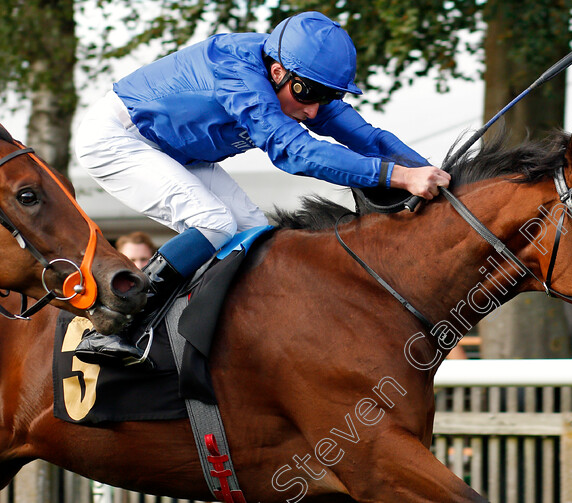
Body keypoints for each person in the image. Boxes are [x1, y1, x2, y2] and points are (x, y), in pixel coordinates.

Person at [73, 11, 451, 366]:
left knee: (256, 238)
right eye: (308, 94)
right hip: (119, 137)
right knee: (214, 222)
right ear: (277, 72)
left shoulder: (300, 77)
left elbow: (368, 138)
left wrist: (431, 171)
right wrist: (397, 177)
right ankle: (111, 325)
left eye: (327, 96)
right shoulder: (237, 71)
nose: (315, 110)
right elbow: (294, 152)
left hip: (178, 152)